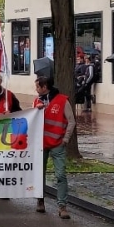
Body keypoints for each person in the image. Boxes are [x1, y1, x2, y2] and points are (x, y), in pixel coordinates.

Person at [33, 75, 75, 219]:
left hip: (57, 143)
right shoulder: (37, 101)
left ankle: (62, 206)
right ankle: (40, 201)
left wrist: (66, 139)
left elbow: (71, 121)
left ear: (45, 87)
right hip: (41, 143)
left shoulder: (62, 100)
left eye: (38, 86)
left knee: (60, 174)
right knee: (40, 173)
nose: (36, 89)